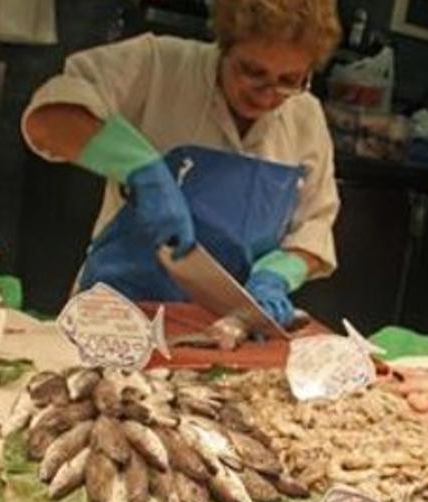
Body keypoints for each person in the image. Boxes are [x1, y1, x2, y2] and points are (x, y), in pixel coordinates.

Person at [21, 0, 342, 327]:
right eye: (252, 72)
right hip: (116, 316)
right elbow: (49, 119)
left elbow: (315, 225)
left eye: (289, 80)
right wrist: (141, 168)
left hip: (227, 328)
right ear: (223, 46)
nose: (267, 94)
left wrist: (278, 275)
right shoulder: (158, 63)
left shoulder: (305, 115)